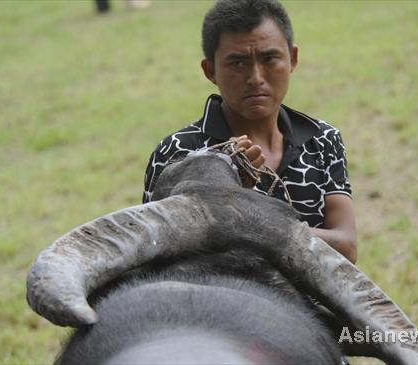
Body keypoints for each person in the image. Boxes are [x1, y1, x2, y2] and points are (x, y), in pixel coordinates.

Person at [143, 0, 357, 263]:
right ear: (210, 71)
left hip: (311, 303)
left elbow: (347, 248)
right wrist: (214, 173)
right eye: (237, 63)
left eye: (269, 59)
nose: (255, 77)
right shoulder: (178, 152)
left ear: (293, 59)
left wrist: (248, 221)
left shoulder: (322, 140)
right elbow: (153, 253)